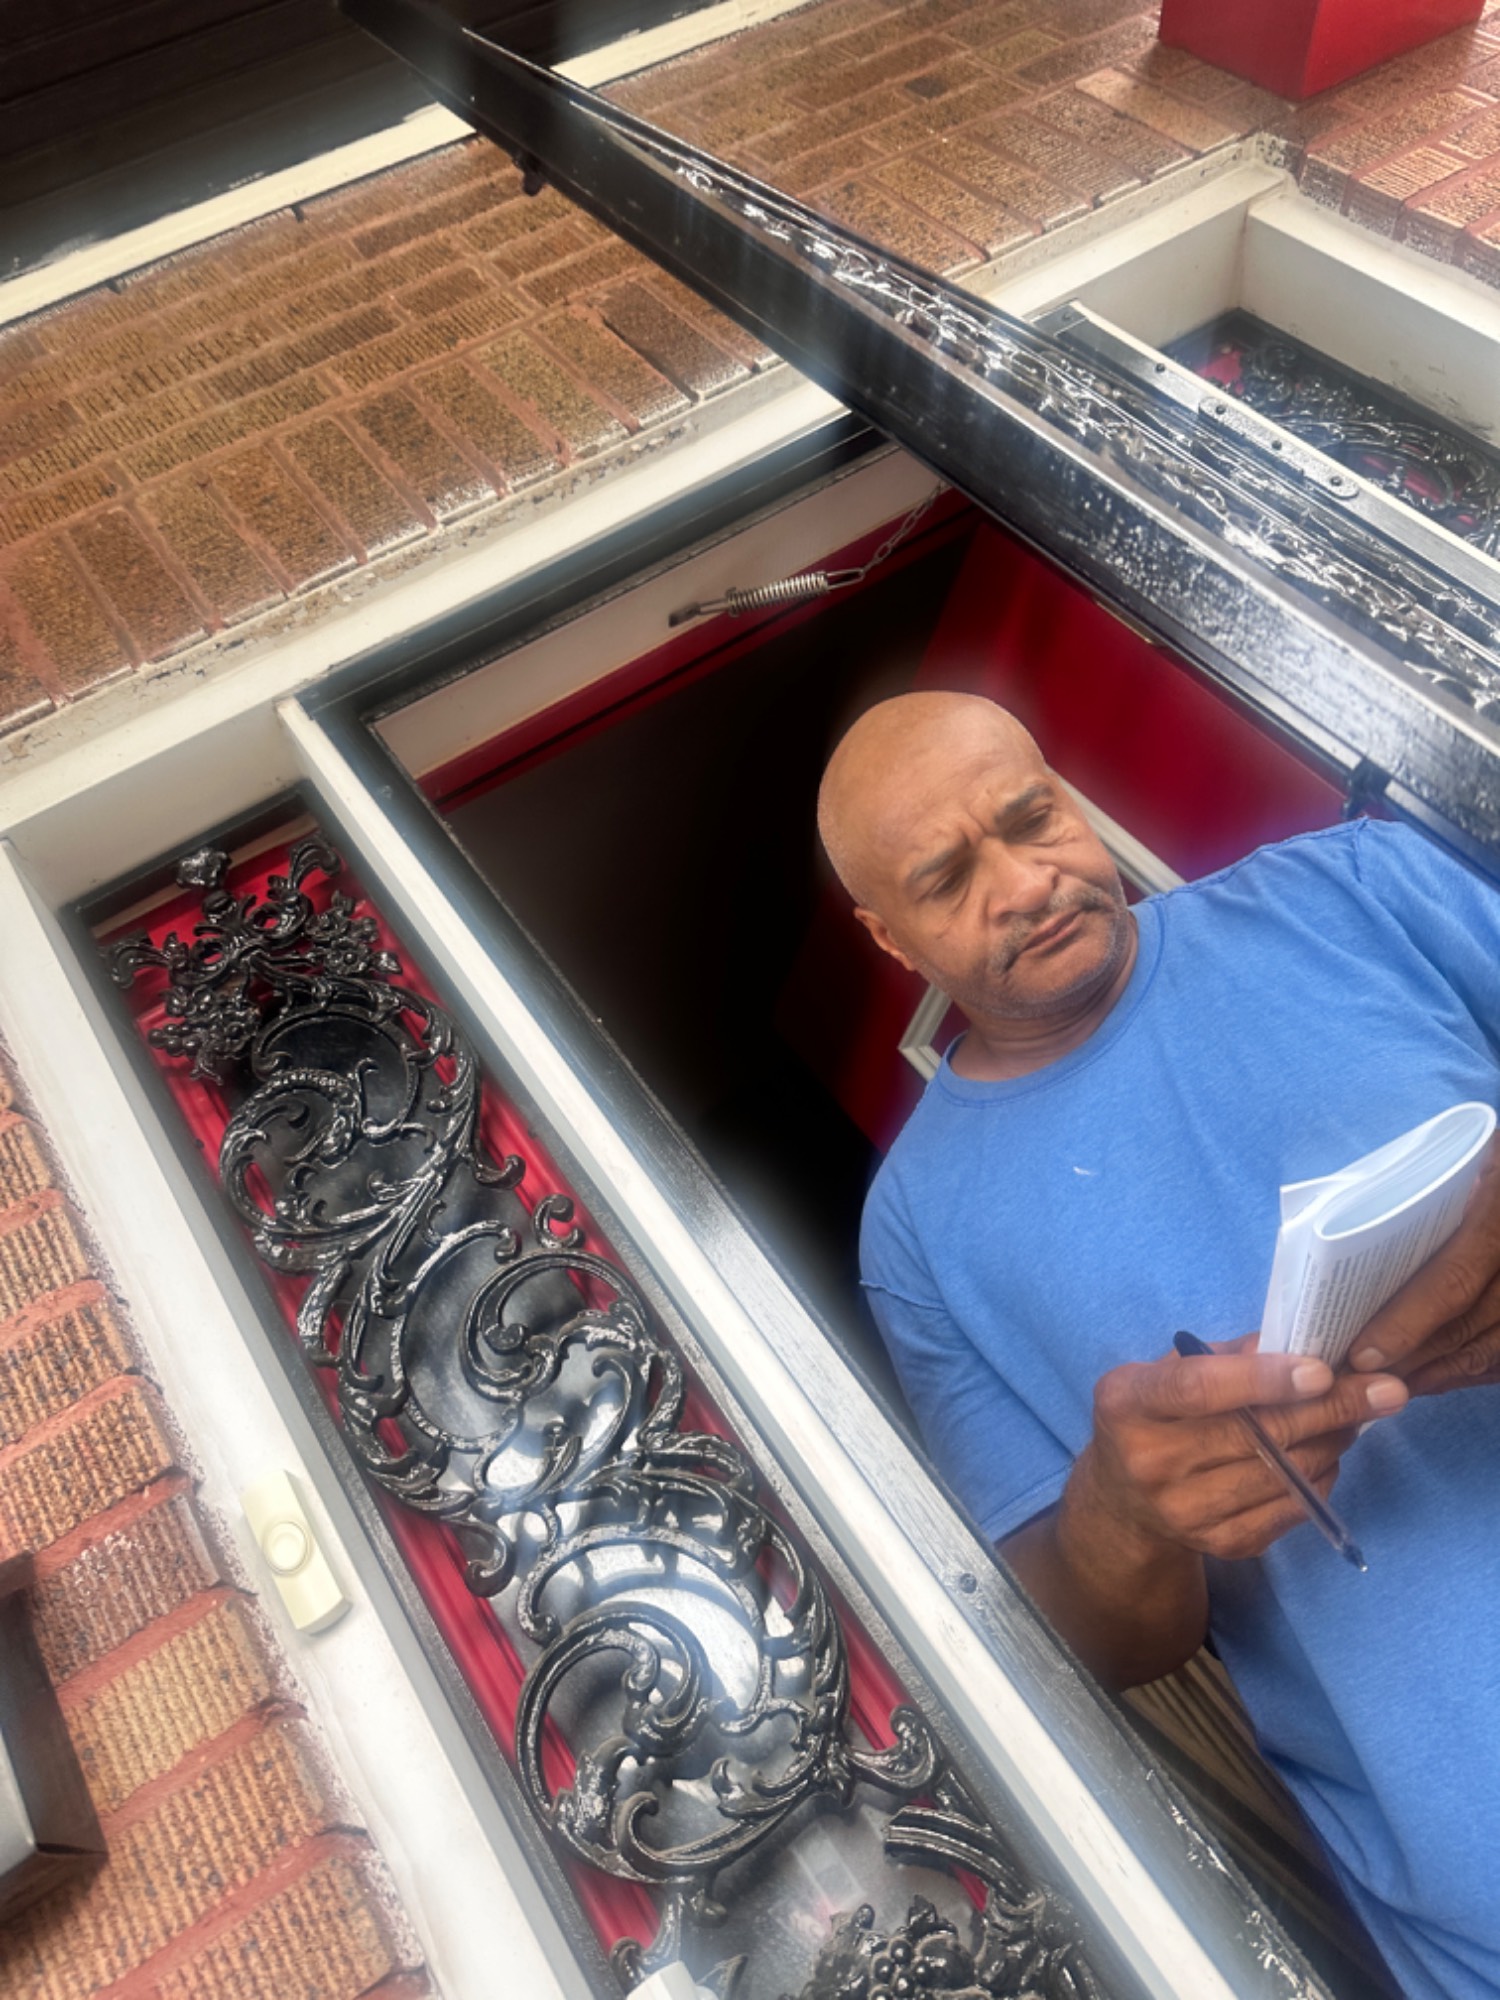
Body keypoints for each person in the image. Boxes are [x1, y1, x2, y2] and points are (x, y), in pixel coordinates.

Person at [819, 690, 1500, 2000]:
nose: (1027, 883)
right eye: (950, 879)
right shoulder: (915, 1233)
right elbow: (1089, 1648)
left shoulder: (1357, 888)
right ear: (887, 936)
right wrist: (1123, 1517)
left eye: (1032, 817)